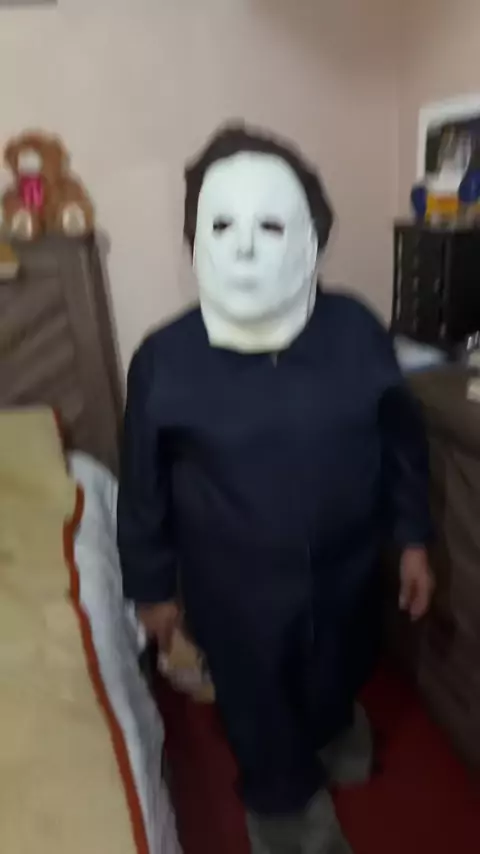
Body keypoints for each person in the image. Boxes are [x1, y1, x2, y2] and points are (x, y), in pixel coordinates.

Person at [117, 123, 434, 854]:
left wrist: (414, 536)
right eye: (223, 226)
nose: (246, 249)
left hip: (349, 569)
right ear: (196, 236)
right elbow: (142, 484)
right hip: (233, 589)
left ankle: (330, 724)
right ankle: (286, 809)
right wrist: (152, 589)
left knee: (340, 663)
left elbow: (402, 441)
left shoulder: (357, 331)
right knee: (259, 701)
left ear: (309, 234)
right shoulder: (164, 359)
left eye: (270, 225)